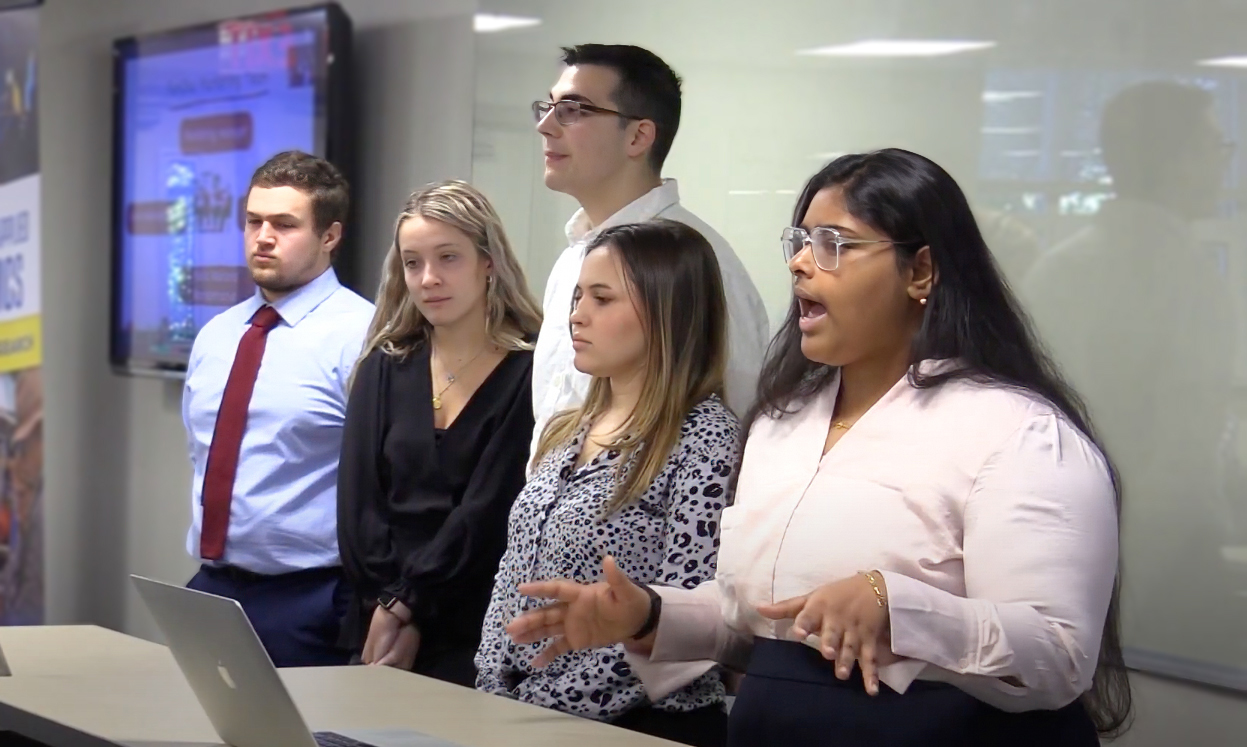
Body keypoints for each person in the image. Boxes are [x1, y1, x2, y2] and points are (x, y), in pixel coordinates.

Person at [507, 150, 1134, 746]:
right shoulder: (783, 422)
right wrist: (647, 615)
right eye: (800, 242)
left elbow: (1059, 652)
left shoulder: (1017, 432)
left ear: (920, 271)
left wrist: (898, 605)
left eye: (834, 245)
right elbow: (761, 621)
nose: (801, 263)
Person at [476, 220, 740, 747]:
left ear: (667, 312)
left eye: (602, 298)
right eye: (577, 297)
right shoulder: (566, 430)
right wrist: (491, 688)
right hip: (523, 719)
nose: (577, 315)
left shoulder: (705, 435)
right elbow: (513, 571)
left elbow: (687, 608)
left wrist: (538, 705)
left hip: (641, 725)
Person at [1023, 81, 1244, 665]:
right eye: (1215, 146)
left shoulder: (1061, 266)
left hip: (1068, 548)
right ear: (1174, 158)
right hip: (1161, 566)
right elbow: (1184, 452)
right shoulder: (1189, 278)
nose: (1225, 162)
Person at [337, 181, 542, 686]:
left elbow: (487, 511)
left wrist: (413, 607)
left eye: (448, 257)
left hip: (472, 626)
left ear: (487, 261)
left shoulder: (530, 372)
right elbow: (357, 507)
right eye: (413, 262)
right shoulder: (384, 366)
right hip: (373, 621)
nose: (429, 278)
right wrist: (388, 606)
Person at [529, 43, 768, 462]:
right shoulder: (572, 258)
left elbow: (735, 432)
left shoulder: (699, 265)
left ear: (638, 135)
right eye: (547, 108)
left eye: (573, 110)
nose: (546, 126)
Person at [182, 151, 374, 667]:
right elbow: (201, 457)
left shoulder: (363, 336)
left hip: (310, 598)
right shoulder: (217, 335)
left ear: (329, 236)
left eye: (284, 224)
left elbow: (386, 480)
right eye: (253, 221)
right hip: (211, 586)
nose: (263, 236)